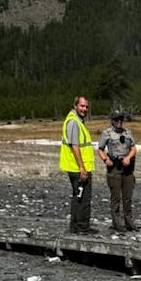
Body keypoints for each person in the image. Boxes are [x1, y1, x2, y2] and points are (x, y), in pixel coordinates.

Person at [60, 95, 99, 234]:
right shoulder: (74, 122)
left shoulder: (77, 121)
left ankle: (75, 226)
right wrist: (82, 167)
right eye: (82, 106)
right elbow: (75, 146)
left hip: (77, 167)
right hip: (77, 168)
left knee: (78, 196)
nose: (85, 109)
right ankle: (82, 227)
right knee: (83, 198)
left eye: (87, 106)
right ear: (75, 105)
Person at [98, 111, 137, 231]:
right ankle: (117, 223)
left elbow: (133, 148)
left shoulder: (128, 133)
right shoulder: (107, 133)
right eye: (116, 119)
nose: (119, 121)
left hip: (127, 168)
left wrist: (128, 157)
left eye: (121, 119)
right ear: (112, 121)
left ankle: (129, 222)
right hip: (114, 167)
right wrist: (105, 159)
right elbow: (100, 149)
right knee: (115, 197)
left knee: (127, 197)